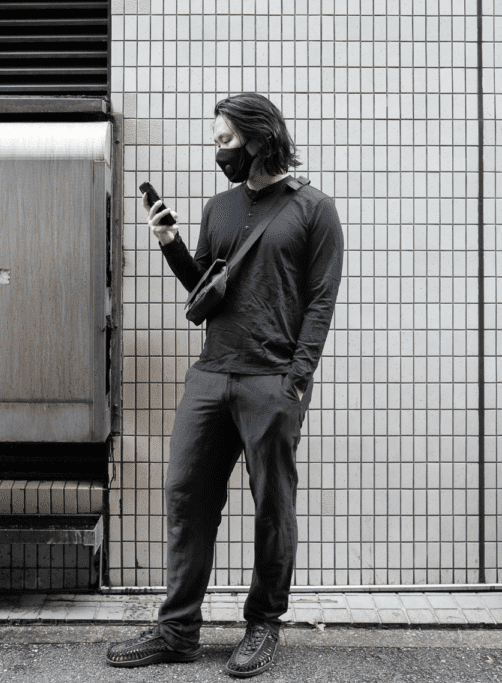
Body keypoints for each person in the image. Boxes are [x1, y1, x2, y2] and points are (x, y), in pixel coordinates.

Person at [106, 93, 344, 678]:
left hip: (272, 380)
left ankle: (264, 624)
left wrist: (297, 379)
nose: (218, 152)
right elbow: (204, 291)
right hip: (212, 374)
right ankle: (177, 629)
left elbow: (320, 301)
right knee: (188, 496)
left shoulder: (313, 209)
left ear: (258, 138)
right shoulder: (218, 208)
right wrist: (171, 244)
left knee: (272, 505)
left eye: (224, 141)